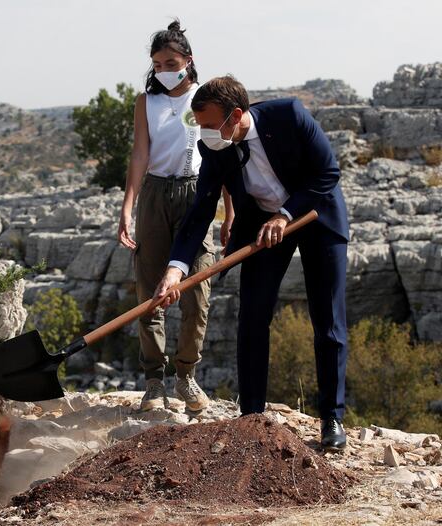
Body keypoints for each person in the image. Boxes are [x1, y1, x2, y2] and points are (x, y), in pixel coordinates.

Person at [155, 76, 350, 450]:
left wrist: (286, 214)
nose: (206, 133)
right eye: (200, 125)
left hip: (314, 216)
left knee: (328, 321)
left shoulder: (289, 116)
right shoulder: (216, 147)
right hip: (262, 229)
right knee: (253, 318)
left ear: (237, 115)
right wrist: (175, 268)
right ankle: (251, 418)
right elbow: (200, 212)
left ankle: (332, 417)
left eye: (211, 125)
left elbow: (328, 173)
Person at [118, 19, 233, 412]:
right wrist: (128, 207)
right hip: (155, 193)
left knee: (196, 292)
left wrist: (229, 210)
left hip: (197, 193)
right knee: (150, 288)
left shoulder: (204, 97)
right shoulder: (145, 102)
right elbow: (139, 155)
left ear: (188, 60)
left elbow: (222, 154)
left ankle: (186, 375)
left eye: (171, 62)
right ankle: (154, 381)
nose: (165, 71)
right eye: (158, 65)